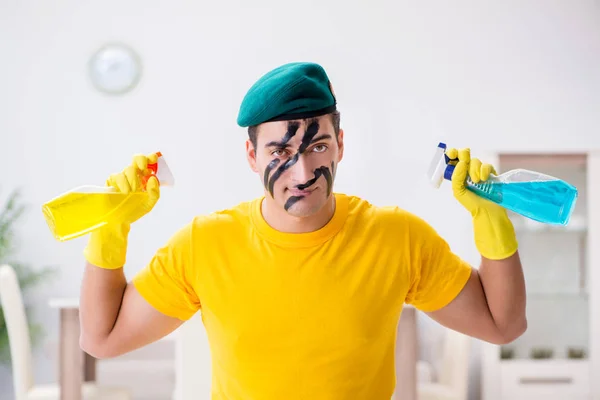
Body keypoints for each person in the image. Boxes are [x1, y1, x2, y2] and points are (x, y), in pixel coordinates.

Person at [78, 62, 527, 399]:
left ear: (341, 146)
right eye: (279, 150)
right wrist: (111, 226)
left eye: (317, 145)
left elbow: (502, 325)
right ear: (252, 156)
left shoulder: (397, 237)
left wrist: (490, 219)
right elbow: (102, 339)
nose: (303, 171)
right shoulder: (203, 244)